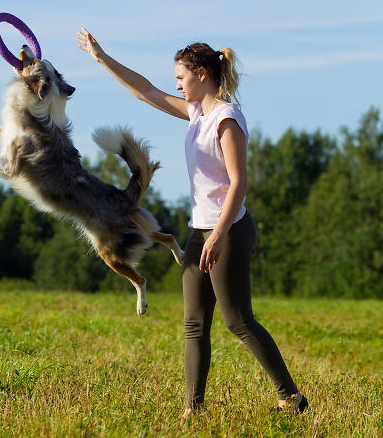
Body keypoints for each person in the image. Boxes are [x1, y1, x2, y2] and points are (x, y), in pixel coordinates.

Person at [76, 28, 308, 418]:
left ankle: (292, 398)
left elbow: (239, 182)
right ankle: (193, 410)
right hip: (200, 230)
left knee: (238, 320)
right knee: (194, 324)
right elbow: (145, 91)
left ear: (202, 74)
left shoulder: (226, 118)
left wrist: (217, 235)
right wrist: (102, 57)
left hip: (228, 230)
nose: (177, 85)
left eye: (181, 78)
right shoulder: (196, 112)